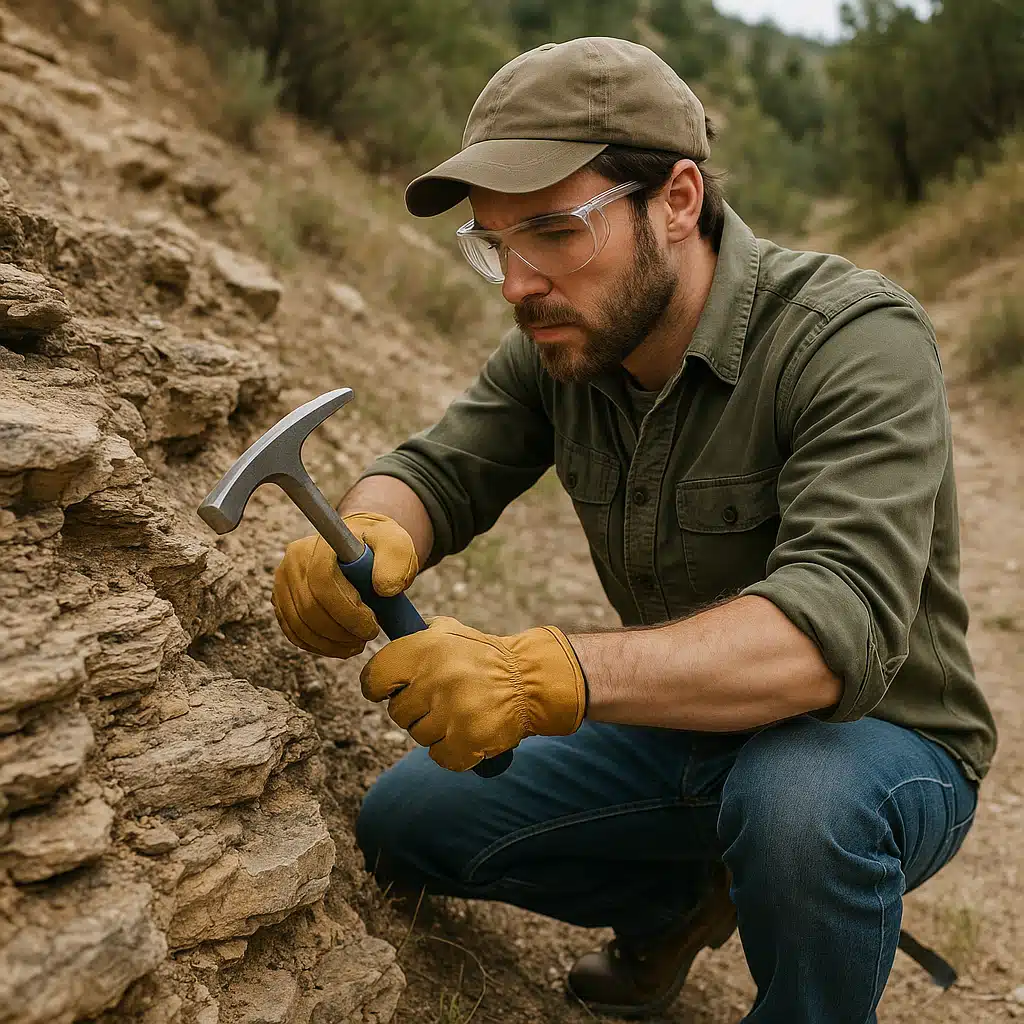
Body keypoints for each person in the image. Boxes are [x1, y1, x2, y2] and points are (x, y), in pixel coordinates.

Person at [271, 36, 997, 1023]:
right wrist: (367, 530)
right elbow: (438, 469)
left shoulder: (852, 339)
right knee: (410, 825)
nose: (516, 282)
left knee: (798, 808)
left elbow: (830, 628)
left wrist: (546, 675)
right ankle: (677, 905)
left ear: (679, 199)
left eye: (552, 231)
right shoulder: (568, 333)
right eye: (493, 243)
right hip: (685, 726)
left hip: (872, 741)